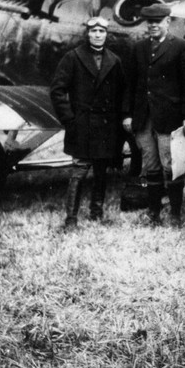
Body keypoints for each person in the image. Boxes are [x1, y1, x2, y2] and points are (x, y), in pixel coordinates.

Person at [123, 3, 185, 226]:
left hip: (169, 118)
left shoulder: (181, 47)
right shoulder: (139, 48)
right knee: (151, 166)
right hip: (143, 119)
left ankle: (175, 213)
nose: (153, 25)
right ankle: (154, 211)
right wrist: (128, 114)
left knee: (170, 166)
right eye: (150, 21)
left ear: (168, 21)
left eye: (158, 21)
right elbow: (131, 83)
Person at [50, 16, 125, 229]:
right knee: (79, 170)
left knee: (101, 170)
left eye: (102, 31)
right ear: (88, 33)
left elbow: (121, 92)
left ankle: (96, 212)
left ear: (107, 34)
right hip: (82, 124)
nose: (98, 35)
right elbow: (57, 90)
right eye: (94, 31)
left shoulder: (114, 60)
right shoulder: (72, 57)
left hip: (106, 125)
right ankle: (71, 219)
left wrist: (118, 121)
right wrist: (69, 119)